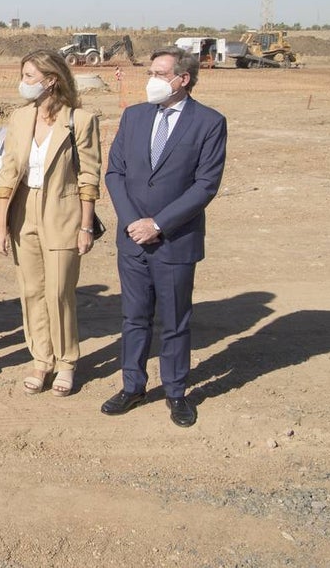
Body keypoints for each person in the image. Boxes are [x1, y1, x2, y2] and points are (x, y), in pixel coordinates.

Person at [102, 47, 227, 427]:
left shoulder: (208, 123)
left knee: (174, 321)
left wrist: (157, 224)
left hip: (175, 241)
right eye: (150, 73)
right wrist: (132, 222)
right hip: (132, 240)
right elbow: (115, 173)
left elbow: (205, 185)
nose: (151, 80)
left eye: (159, 73)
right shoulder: (134, 116)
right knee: (134, 317)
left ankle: (175, 392)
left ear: (183, 79)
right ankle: (133, 386)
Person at [0, 50, 101, 397]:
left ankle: (67, 361)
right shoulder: (20, 118)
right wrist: (1, 223)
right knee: (31, 291)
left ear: (51, 79)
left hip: (63, 212)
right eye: (23, 75)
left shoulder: (80, 121)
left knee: (59, 293)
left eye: (29, 76)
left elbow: (89, 176)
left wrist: (85, 226)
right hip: (23, 211)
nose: (23, 83)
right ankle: (42, 359)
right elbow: (8, 171)